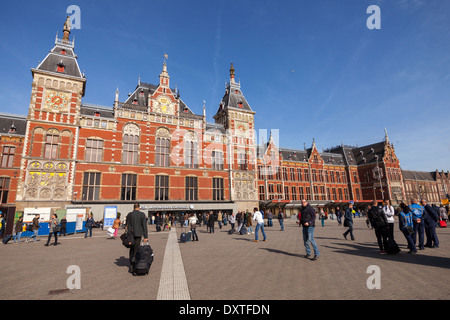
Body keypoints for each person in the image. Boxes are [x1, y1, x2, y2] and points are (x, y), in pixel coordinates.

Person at [125, 203, 148, 275]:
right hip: (138, 234)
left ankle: (131, 263)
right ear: (139, 207)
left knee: (131, 248)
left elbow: (126, 225)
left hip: (130, 234)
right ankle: (134, 265)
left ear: (134, 207)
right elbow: (144, 226)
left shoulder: (129, 214)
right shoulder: (142, 215)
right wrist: (146, 236)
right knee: (136, 249)